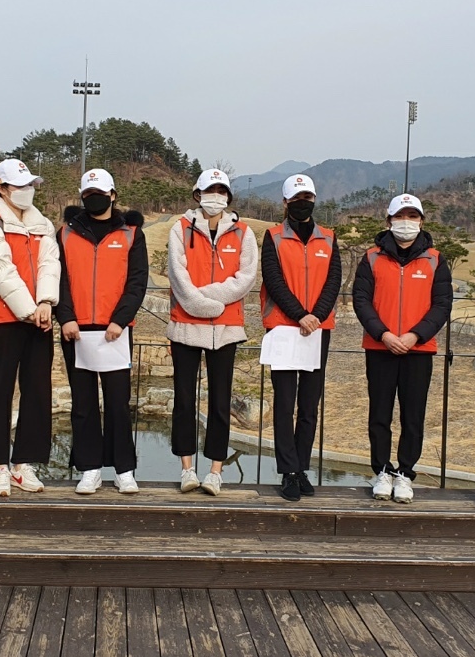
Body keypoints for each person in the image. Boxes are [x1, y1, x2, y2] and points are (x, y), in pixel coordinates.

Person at [352, 193, 452, 504]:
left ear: (421, 221)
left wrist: (415, 335)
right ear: (389, 221)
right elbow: (361, 301)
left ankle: (405, 473)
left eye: (412, 216)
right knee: (379, 414)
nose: (406, 222)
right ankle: (382, 470)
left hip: (418, 350)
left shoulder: (435, 259)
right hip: (380, 347)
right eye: (400, 216)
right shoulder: (371, 258)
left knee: (413, 415)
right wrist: (383, 334)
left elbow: (442, 304)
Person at [0, 158, 61, 497]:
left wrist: (46, 302)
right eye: (20, 186)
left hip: (39, 318)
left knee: (37, 392)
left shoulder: (42, 224)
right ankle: (0, 467)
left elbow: (50, 264)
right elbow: (2, 271)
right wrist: (30, 310)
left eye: (30, 185)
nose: (27, 191)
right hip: (4, 319)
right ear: (2, 188)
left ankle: (23, 464)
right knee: (1, 393)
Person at [55, 169, 149, 495]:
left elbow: (137, 282)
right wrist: (65, 317)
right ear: (82, 197)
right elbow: (58, 279)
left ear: (113, 195)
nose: (94, 198)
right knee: (83, 404)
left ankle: (124, 469)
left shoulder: (131, 234)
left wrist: (120, 320)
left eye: (100, 193)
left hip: (115, 331)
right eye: (88, 194)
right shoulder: (65, 233)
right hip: (76, 330)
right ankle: (89, 468)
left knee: (118, 403)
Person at [167, 168, 258, 496]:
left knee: (220, 402)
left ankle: (215, 471)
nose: (215, 197)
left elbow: (245, 278)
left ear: (228, 197)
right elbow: (177, 275)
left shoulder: (244, 233)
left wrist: (205, 300)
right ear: (198, 194)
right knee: (184, 400)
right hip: (185, 326)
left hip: (226, 327)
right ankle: (187, 469)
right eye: (210, 191)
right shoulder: (180, 228)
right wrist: (200, 303)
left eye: (221, 191)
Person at [259, 174, 341, 502]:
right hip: (283, 328)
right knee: (284, 403)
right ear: (285, 202)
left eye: (307, 197)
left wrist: (315, 316)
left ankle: (301, 467)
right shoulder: (273, 237)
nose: (302, 203)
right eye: (296, 198)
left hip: (317, 330)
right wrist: (299, 315)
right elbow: (273, 280)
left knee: (309, 404)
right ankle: (287, 470)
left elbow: (334, 281)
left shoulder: (329, 238)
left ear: (314, 199)